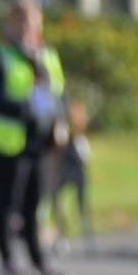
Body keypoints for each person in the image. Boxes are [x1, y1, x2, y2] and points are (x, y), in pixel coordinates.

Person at [0, 0, 65, 275]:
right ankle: (8, 261)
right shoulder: (0, 56)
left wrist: (58, 119)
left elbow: (57, 94)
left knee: (35, 203)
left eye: (32, 22)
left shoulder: (47, 56)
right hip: (6, 144)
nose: (27, 28)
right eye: (21, 21)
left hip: (40, 143)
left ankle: (39, 259)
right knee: (7, 203)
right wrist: (25, 110)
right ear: (11, 24)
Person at [49, 98, 96, 255]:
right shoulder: (62, 129)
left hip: (76, 169)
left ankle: (87, 237)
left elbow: (86, 155)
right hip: (63, 169)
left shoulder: (79, 134)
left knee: (81, 205)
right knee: (58, 202)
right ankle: (63, 236)